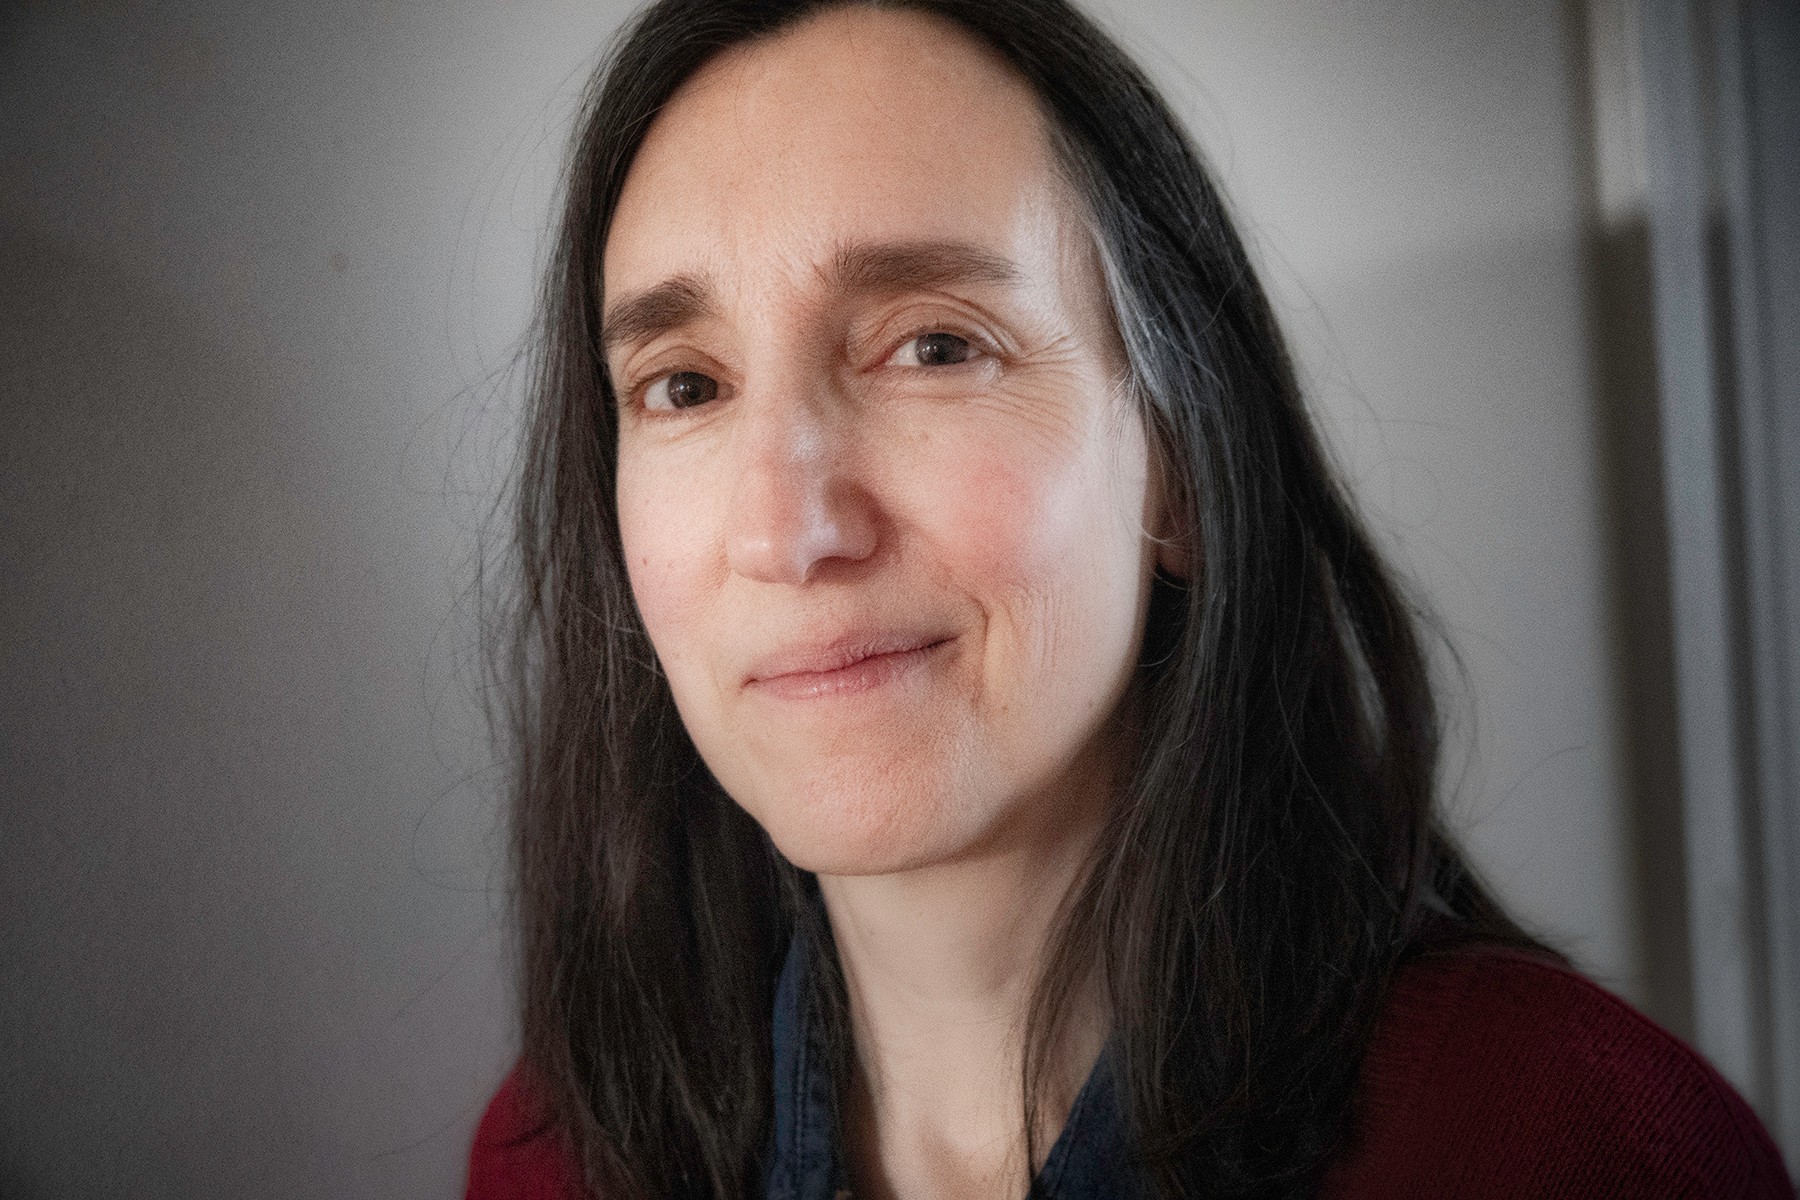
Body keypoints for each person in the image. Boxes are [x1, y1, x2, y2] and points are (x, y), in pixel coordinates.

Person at [468, 1, 1794, 1196]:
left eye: (935, 346)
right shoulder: (554, 1159)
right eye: (685, 385)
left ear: (1182, 472)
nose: (788, 528)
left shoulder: (1567, 1148)